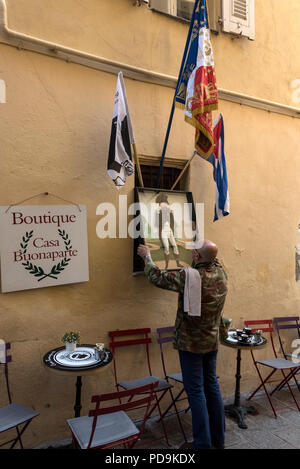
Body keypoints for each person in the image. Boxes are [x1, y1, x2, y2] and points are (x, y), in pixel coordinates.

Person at [137, 240, 228, 450]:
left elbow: (157, 277)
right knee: (212, 387)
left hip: (191, 343)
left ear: (196, 257)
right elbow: (210, 257)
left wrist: (147, 257)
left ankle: (202, 444)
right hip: (212, 340)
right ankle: (218, 440)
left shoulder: (190, 276)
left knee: (195, 391)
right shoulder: (222, 273)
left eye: (194, 251)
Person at [155, 193, 183, 269]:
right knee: (167, 248)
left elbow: (172, 221)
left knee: (175, 246)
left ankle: (178, 263)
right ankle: (167, 265)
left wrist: (171, 229)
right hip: (163, 231)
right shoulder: (159, 211)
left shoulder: (169, 210)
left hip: (169, 230)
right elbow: (157, 223)